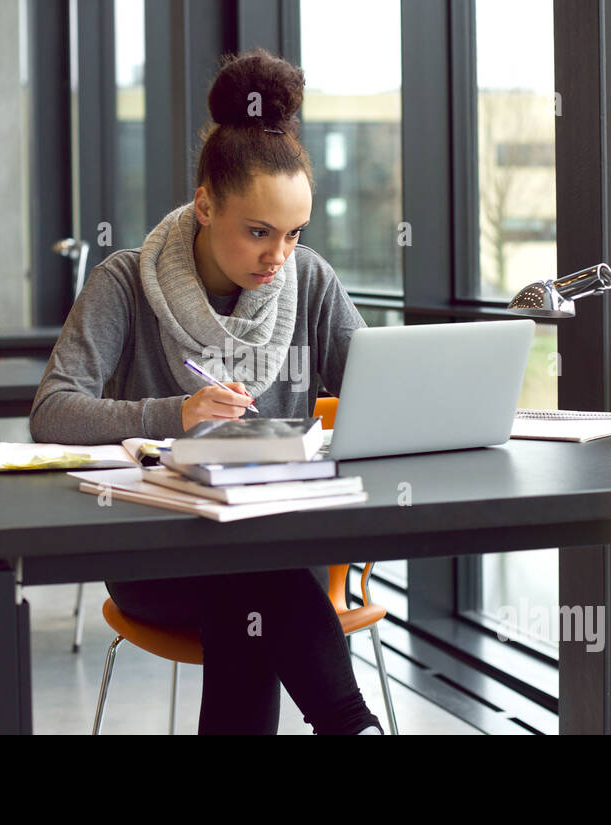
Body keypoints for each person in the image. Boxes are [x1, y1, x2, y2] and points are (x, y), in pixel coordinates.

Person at [30, 47, 382, 735]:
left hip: (279, 547)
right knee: (251, 581)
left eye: (293, 234)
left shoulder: (309, 281)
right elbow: (52, 411)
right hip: (157, 558)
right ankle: (351, 724)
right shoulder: (123, 283)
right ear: (204, 204)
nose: (277, 257)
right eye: (258, 232)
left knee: (251, 583)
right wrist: (176, 414)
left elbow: (378, 392)